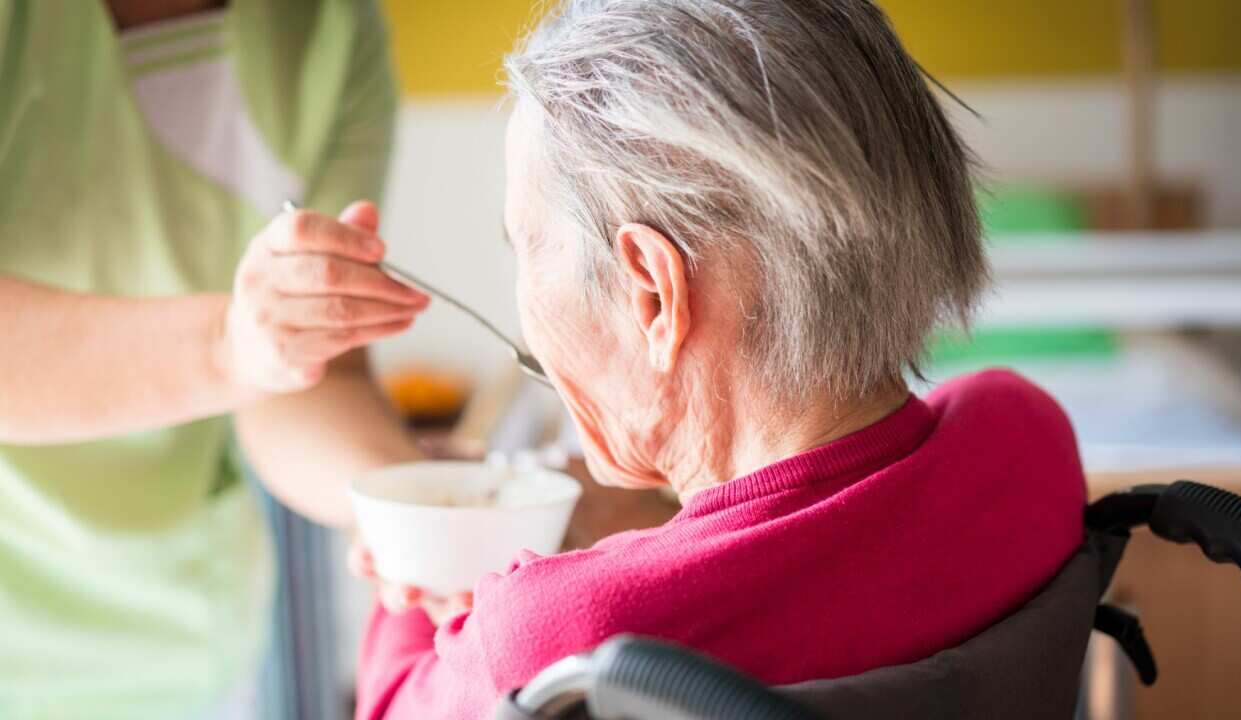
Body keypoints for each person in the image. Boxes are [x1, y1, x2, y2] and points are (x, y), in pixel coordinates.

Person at [353, 1, 1087, 719]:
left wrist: (425, 560)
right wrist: (654, 524)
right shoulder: (1027, 440)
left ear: (653, 294)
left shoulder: (562, 644)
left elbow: (388, 704)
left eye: (523, 248)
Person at [0, 1, 426, 717]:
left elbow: (312, 378)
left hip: (186, 646)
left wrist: (410, 503)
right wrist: (230, 345)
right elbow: (253, 356)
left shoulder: (333, 36)